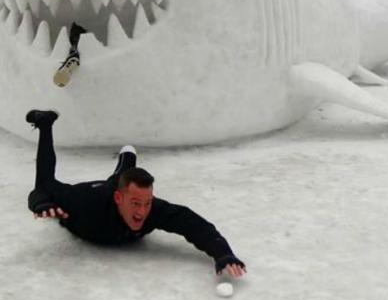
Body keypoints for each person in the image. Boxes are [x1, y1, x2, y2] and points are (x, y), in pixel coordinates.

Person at [25, 109, 246, 279]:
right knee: (48, 179)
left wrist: (223, 253)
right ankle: (45, 123)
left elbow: (194, 225)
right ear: (118, 199)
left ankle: (128, 154)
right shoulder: (85, 203)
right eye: (136, 204)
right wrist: (41, 204)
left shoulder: (152, 209)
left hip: (116, 187)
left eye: (147, 203)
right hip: (96, 191)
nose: (142, 212)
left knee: (120, 178)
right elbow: (41, 190)